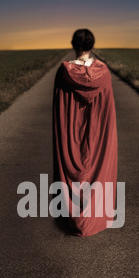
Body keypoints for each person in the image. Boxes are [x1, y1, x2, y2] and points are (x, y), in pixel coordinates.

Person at [52, 28, 118, 237]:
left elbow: (59, 109)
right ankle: (96, 215)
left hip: (70, 131)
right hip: (97, 133)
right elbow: (107, 111)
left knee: (72, 167)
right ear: (92, 46)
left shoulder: (64, 72)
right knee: (98, 163)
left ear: (73, 45)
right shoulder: (104, 72)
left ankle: (72, 217)